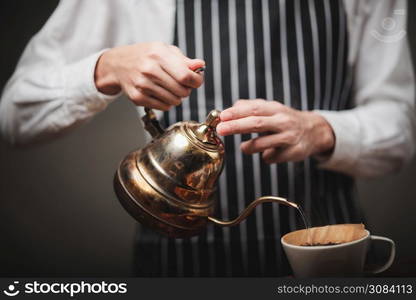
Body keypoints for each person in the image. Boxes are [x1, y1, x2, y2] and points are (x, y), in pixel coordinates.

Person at [0, 0, 414, 277]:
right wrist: (105, 68)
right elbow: (15, 115)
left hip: (326, 254)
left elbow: (401, 125)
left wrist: (323, 130)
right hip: (179, 264)